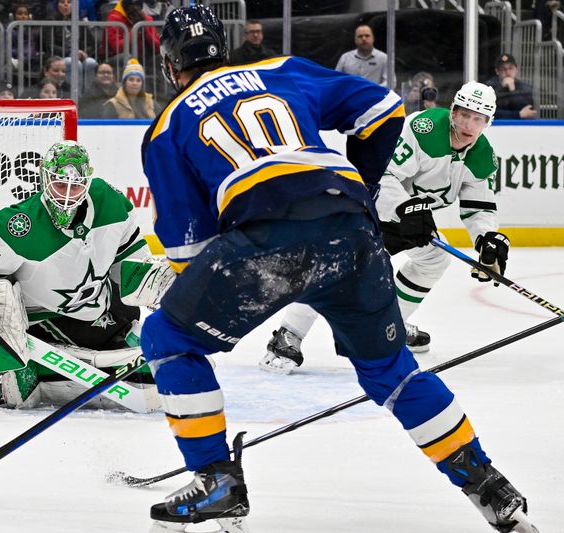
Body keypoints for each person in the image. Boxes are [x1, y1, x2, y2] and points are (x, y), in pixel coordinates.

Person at [140, 7, 535, 533]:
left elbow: (190, 254)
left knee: (168, 336)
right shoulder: (280, 69)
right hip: (350, 227)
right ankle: (486, 482)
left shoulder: (167, 127)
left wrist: (205, 297)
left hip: (267, 235)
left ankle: (216, 477)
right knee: (392, 371)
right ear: (225, 48)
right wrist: (367, 198)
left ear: (170, 67)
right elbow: (384, 108)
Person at [263, 81, 507, 373]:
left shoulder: (482, 156)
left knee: (434, 259)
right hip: (373, 208)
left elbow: (479, 207)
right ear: (453, 111)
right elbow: (384, 174)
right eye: (464, 114)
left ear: (487, 123)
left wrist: (486, 240)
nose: (469, 124)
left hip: (413, 221)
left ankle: (392, 326)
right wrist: (405, 209)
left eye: (478, 119)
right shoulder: (424, 128)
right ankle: (289, 333)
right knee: (339, 269)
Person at [0, 141, 155, 408]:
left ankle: (114, 344)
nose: (67, 195)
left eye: (75, 186)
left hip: (102, 311)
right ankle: (20, 370)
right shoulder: (20, 226)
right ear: (45, 179)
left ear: (87, 182)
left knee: (140, 323)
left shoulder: (110, 203)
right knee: (146, 368)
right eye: (60, 184)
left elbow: (129, 259)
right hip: (48, 321)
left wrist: (152, 284)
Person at [485, 53, 536, 120]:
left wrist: (513, 90)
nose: (507, 72)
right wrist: (518, 114)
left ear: (516, 69)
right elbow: (488, 111)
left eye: (510, 68)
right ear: (497, 71)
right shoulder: (488, 87)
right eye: (503, 69)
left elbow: (528, 111)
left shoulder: (525, 87)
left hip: (521, 126)